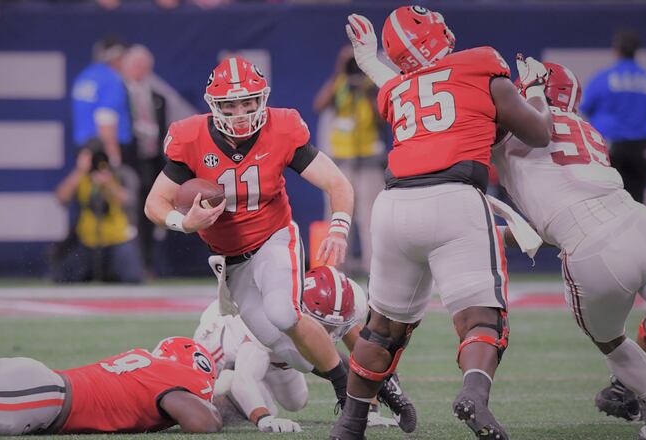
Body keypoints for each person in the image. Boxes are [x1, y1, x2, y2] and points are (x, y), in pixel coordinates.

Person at [330, 7, 553, 440]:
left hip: (393, 206)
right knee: (481, 321)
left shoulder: (394, 92)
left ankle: (350, 423)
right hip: (453, 199)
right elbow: (537, 133)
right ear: (437, 33)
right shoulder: (483, 64)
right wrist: (538, 92)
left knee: (383, 330)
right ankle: (474, 394)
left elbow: (413, 91)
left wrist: (371, 62)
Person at [144, 57, 355, 409]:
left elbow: (336, 182)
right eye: (230, 104)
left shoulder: (283, 126)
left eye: (248, 102)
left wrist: (339, 227)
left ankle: (353, 393)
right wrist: (184, 223)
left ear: (262, 99)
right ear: (215, 106)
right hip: (232, 259)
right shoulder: (191, 136)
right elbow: (155, 203)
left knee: (284, 313)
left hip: (274, 237)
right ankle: (352, 379)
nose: (241, 111)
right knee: (288, 350)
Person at [493, 62, 646, 440]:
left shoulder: (510, 130)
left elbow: (565, 219)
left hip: (593, 247)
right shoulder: (587, 130)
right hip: (642, 222)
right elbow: (560, 212)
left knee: (611, 341)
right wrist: (506, 234)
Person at [194, 266, 416, 433]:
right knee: (261, 402)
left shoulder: (339, 312)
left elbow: (361, 359)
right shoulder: (271, 320)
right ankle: (225, 387)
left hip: (277, 357)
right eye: (323, 325)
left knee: (296, 401)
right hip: (220, 344)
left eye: (334, 327)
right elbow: (245, 378)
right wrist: (264, 419)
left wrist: (371, 411)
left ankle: (254, 388)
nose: (328, 334)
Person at [0, 337, 221, 436]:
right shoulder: (173, 378)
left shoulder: (148, 363)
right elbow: (199, 422)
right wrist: (215, 413)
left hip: (34, 384)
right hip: (46, 398)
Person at [313, 46, 386, 275]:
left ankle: (374, 269)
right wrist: (340, 70)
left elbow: (382, 117)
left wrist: (367, 85)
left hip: (369, 161)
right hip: (340, 161)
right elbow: (319, 104)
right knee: (338, 216)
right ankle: (334, 270)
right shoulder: (339, 83)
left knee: (370, 218)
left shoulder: (371, 86)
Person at [580, 29, 646, 204]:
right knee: (637, 204)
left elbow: (585, 106)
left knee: (609, 204)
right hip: (640, 152)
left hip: (610, 152)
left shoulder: (604, 78)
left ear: (616, 49)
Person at [52, 139, 143, 283]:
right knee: (62, 278)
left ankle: (111, 274)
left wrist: (108, 182)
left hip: (118, 240)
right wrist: (80, 170)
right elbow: (61, 198)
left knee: (132, 278)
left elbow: (129, 201)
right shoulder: (81, 176)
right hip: (87, 242)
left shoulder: (120, 173)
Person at [121, 44, 168, 276]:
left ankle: (145, 262)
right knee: (129, 212)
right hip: (127, 161)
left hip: (151, 162)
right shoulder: (117, 93)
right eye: (136, 64)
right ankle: (127, 264)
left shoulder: (158, 97)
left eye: (144, 65)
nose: (140, 70)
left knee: (150, 211)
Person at [71, 36, 132, 166]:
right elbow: (105, 117)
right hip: (104, 147)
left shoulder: (85, 76)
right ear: (117, 58)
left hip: (85, 146)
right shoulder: (111, 79)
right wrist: (114, 157)